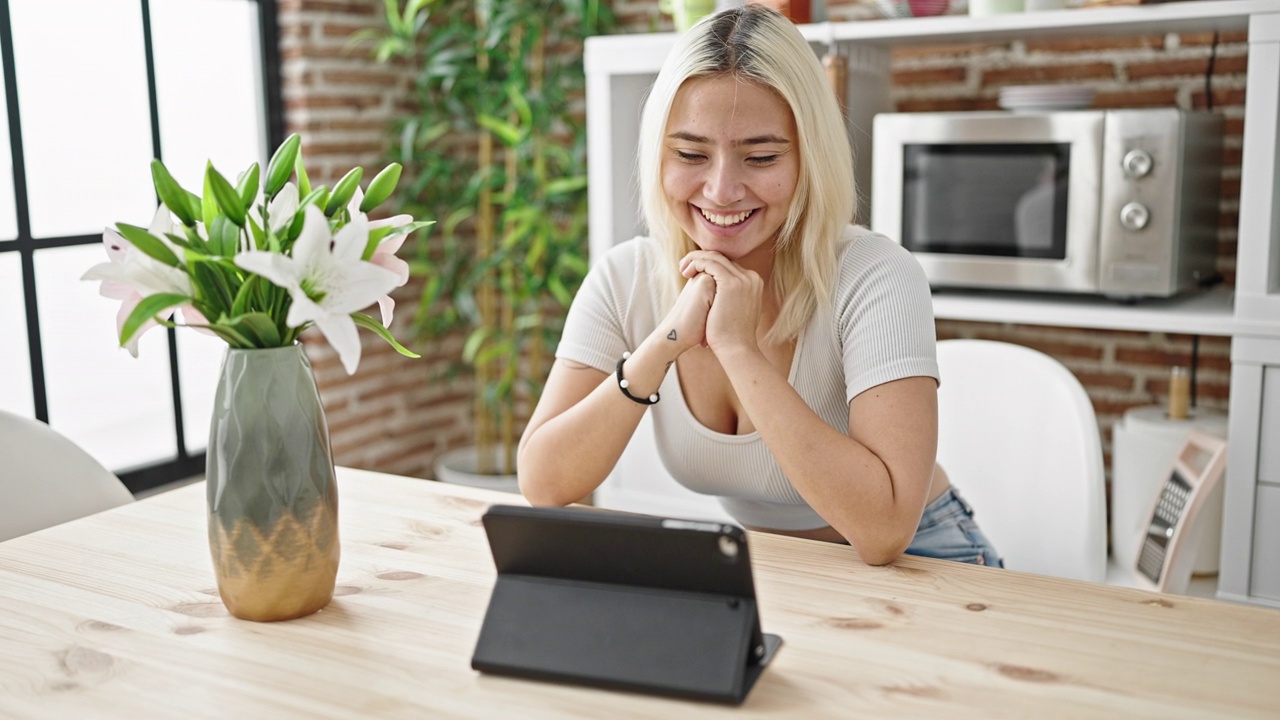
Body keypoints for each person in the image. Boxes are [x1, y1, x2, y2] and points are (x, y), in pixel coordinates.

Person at [517, 5, 1002, 568]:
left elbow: (884, 530)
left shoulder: (875, 276)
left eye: (761, 156)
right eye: (691, 154)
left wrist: (738, 348)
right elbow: (543, 483)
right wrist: (664, 343)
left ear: (808, 158)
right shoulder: (625, 279)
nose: (722, 190)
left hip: (925, 560)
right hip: (778, 571)